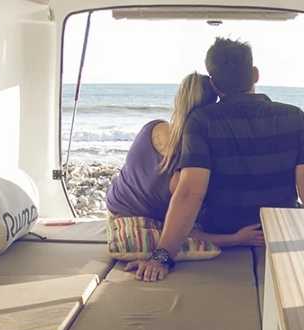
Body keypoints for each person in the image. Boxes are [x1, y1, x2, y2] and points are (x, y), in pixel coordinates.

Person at [129, 37, 304, 281]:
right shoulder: (296, 118)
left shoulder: (201, 121)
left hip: (221, 232)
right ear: (255, 74)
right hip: (277, 231)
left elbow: (190, 192)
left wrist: (161, 257)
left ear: (214, 84)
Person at [105, 72, 264, 248]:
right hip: (136, 222)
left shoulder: (152, 127)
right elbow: (183, 229)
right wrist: (237, 239)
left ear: (179, 99)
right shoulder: (190, 161)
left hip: (113, 205)